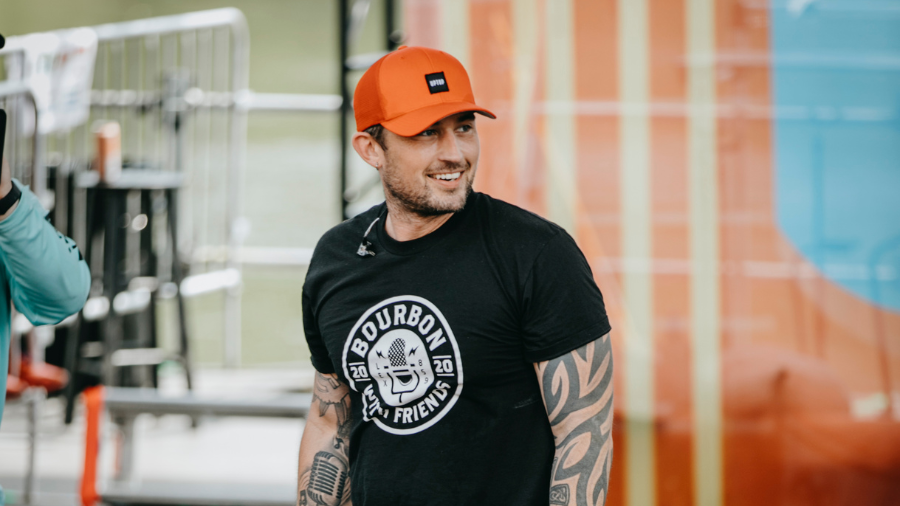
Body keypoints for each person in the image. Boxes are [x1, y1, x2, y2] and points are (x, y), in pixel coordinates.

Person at [298, 46, 613, 506]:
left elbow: (583, 434)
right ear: (371, 149)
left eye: (464, 128)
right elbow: (330, 424)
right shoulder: (338, 258)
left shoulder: (536, 253)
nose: (455, 154)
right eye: (426, 133)